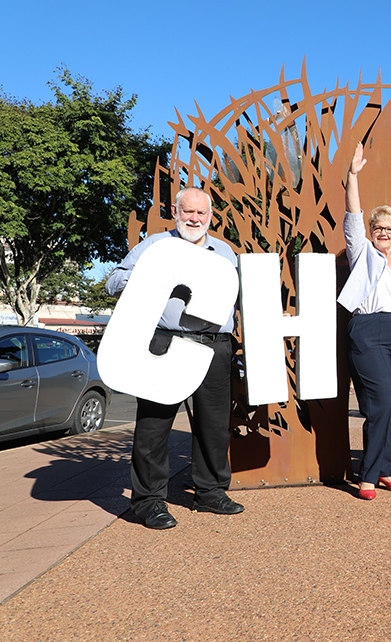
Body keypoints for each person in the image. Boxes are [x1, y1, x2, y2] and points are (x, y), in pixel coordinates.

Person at [106, 187, 244, 530]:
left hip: (215, 345)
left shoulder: (225, 252)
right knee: (154, 425)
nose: (194, 219)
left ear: (210, 216)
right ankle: (148, 501)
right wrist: (152, 276)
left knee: (214, 425)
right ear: (175, 211)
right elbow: (113, 282)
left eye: (201, 213)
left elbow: (240, 296)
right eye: (188, 212)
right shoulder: (155, 246)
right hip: (166, 341)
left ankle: (210, 492)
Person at [338, 142, 391, 501]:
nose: (383, 232)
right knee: (381, 402)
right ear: (371, 230)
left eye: (390, 228)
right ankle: (368, 475)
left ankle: (386, 468)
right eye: (378, 227)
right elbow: (353, 215)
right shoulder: (363, 253)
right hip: (368, 332)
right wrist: (352, 176)